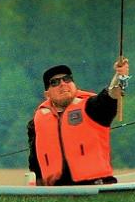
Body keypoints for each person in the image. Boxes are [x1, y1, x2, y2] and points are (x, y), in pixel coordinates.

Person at [27, 58, 129, 186]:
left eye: (67, 79)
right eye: (55, 82)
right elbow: (35, 162)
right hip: (57, 191)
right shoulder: (37, 121)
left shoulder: (92, 107)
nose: (63, 84)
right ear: (47, 94)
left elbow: (111, 95)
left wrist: (120, 76)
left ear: (74, 85)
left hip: (96, 186)